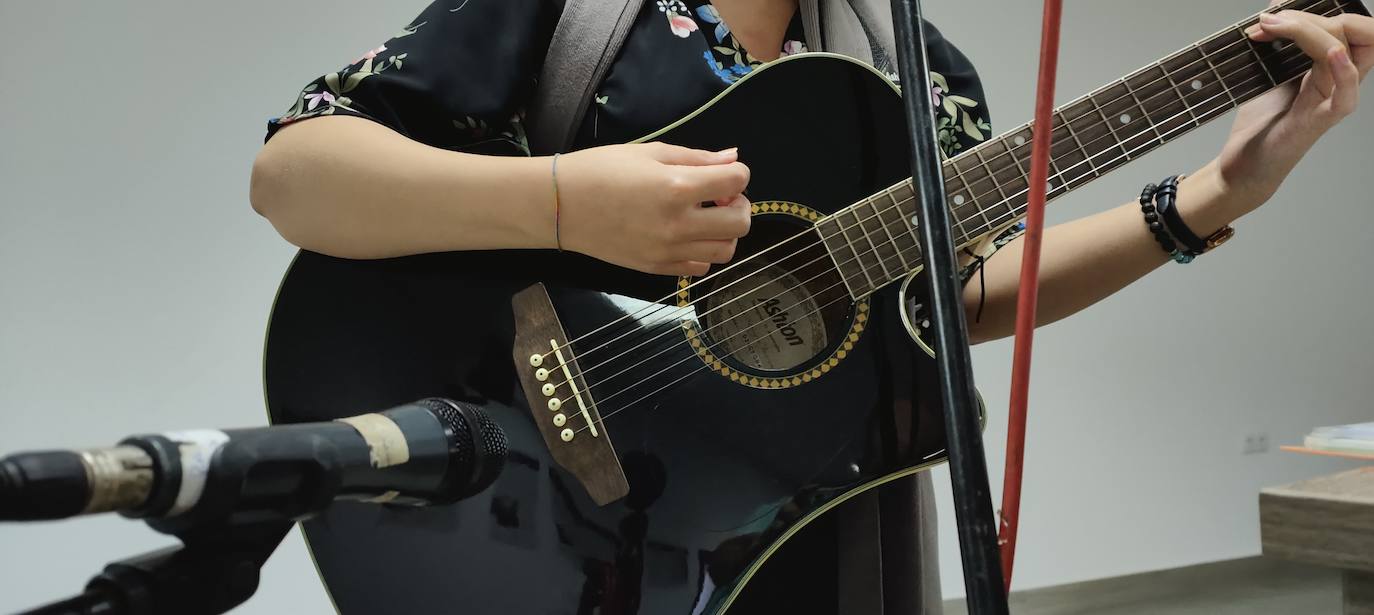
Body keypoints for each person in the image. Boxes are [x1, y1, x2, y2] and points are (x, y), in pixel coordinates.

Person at [249, 0, 1374, 611]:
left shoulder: (914, 70)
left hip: (795, 534)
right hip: (518, 476)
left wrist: (1220, 193)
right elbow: (294, 174)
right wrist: (560, 200)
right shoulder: (573, 12)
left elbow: (954, 298)